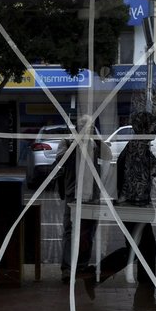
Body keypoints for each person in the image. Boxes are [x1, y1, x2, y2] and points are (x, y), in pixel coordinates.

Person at [97, 111, 156, 310]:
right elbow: (142, 179)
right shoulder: (138, 148)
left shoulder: (139, 146)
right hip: (134, 208)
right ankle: (96, 276)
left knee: (140, 251)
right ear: (145, 128)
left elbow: (152, 170)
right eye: (154, 125)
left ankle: (96, 277)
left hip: (133, 209)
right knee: (144, 250)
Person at [56, 115, 100, 295]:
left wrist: (96, 139)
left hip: (91, 195)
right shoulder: (67, 142)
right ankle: (67, 268)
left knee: (88, 231)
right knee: (70, 230)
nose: (85, 130)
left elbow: (107, 155)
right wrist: (76, 144)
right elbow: (60, 161)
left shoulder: (95, 143)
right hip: (73, 194)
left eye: (88, 127)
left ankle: (82, 265)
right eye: (83, 126)